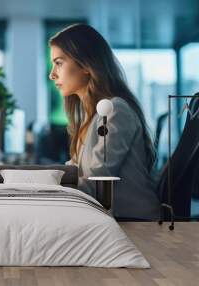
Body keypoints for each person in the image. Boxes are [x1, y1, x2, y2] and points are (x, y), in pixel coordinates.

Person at [48, 23, 159, 220]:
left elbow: (96, 183)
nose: (52, 74)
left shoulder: (115, 110)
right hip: (112, 219)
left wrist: (42, 184)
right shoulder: (91, 118)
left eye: (58, 63)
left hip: (134, 224)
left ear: (85, 65)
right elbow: (74, 173)